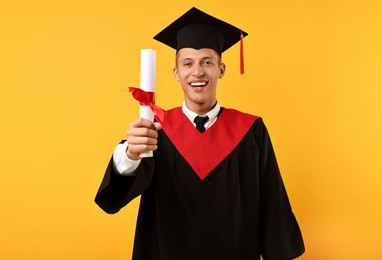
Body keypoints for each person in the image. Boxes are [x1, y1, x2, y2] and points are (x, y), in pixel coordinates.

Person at [95, 7, 305, 260]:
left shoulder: (251, 130)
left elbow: (272, 200)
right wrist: (129, 153)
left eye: (207, 62)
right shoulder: (156, 130)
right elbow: (117, 196)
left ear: (221, 69)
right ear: (176, 73)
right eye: (187, 63)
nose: (197, 72)